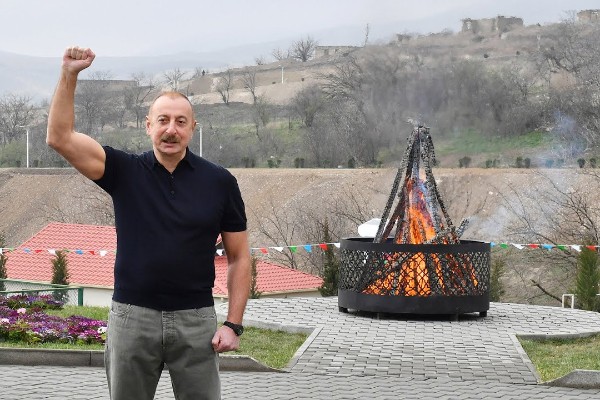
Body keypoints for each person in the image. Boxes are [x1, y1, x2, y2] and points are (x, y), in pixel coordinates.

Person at [47, 46, 251, 400]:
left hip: (196, 320)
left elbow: (239, 256)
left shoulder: (220, 182)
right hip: (132, 319)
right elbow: (59, 138)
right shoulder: (123, 171)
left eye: (181, 121)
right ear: (148, 126)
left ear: (193, 127)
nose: (171, 130)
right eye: (163, 120)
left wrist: (233, 324)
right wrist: (69, 74)